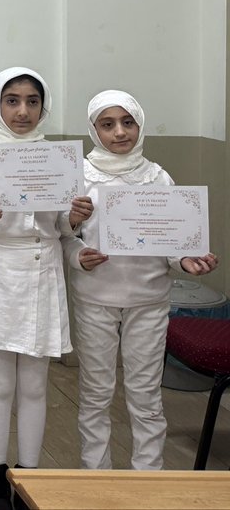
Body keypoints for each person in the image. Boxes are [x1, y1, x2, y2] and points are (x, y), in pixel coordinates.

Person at [0, 67, 85, 510]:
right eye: (12, 100)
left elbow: (62, 225)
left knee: (35, 384)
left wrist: (75, 218)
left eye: (32, 101)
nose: (23, 111)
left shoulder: (60, 156)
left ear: (43, 106)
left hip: (43, 270)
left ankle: (29, 476)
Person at [65, 90, 219, 471]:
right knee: (96, 393)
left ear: (139, 124)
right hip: (95, 298)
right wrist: (77, 253)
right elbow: (63, 237)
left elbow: (171, 241)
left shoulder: (157, 177)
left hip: (149, 300)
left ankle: (149, 478)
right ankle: (95, 477)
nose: (120, 132)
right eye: (107, 124)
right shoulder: (79, 178)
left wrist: (186, 259)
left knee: (146, 395)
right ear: (93, 129)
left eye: (128, 122)